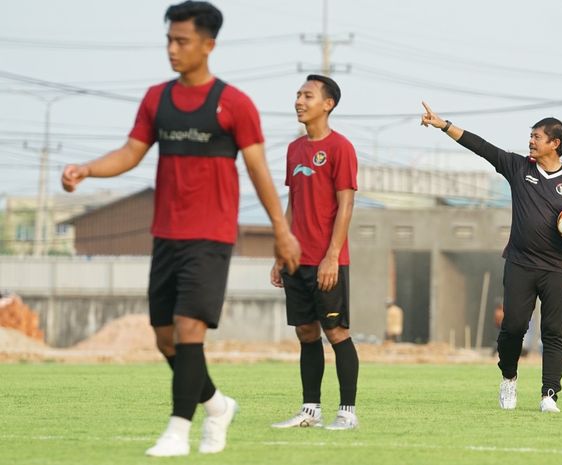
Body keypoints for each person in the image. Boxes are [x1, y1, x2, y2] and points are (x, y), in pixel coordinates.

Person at [61, 1, 300, 456]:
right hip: (165, 234)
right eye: (169, 40)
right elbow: (131, 153)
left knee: (190, 329)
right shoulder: (157, 98)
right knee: (165, 338)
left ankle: (176, 431)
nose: (172, 49)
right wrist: (86, 170)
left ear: (208, 45)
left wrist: (281, 230)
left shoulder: (235, 104)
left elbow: (258, 171)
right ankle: (216, 404)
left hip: (210, 236)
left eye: (182, 41)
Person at [421, 102, 562, 413]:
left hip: (558, 268)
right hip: (520, 264)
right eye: (530, 136)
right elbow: (481, 147)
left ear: (554, 143)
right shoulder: (519, 168)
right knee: (513, 327)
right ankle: (509, 378)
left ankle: (549, 395)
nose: (530, 141)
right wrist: (443, 124)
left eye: (537, 137)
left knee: (553, 332)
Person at [270, 75, 359, 430]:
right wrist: (281, 251)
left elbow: (346, 204)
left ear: (328, 104)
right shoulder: (295, 149)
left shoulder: (341, 147)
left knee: (336, 333)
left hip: (328, 262)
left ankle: (348, 413)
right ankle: (310, 410)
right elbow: (293, 204)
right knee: (306, 334)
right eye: (297, 95)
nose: (299, 101)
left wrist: (332, 255)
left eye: (307, 95)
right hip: (297, 260)